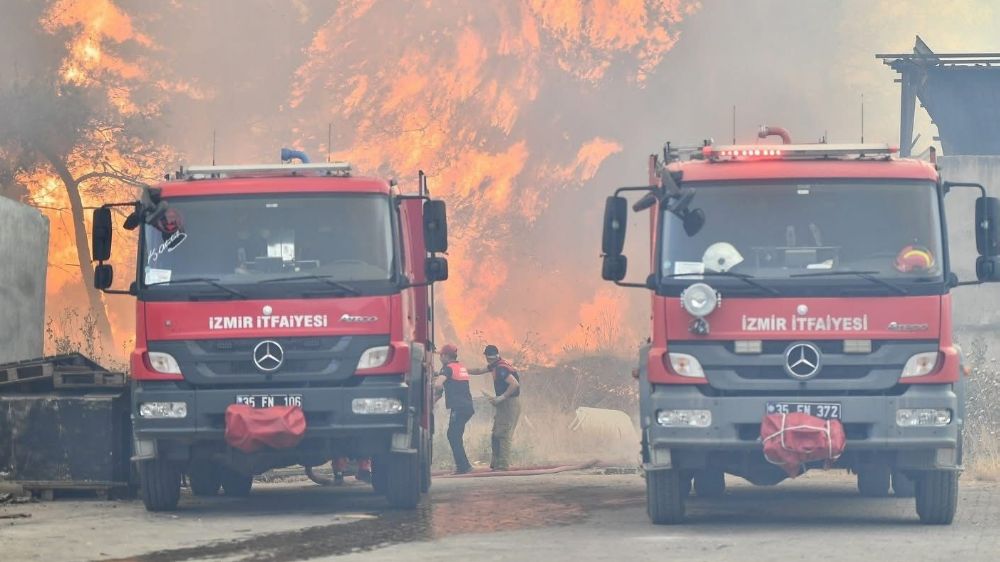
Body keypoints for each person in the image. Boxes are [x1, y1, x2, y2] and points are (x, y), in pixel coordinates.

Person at [469, 344, 521, 471]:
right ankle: (496, 463)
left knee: (503, 434)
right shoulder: (495, 365)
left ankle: (502, 465)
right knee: (496, 433)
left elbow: (514, 384)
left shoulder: (501, 368)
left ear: (488, 357)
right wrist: (463, 370)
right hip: (504, 404)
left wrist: (502, 397)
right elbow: (479, 370)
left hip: (509, 403)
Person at [433, 344, 474, 474]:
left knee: (453, 435)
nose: (440, 358)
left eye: (441, 355)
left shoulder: (447, 368)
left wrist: (435, 392)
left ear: (446, 356)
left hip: (459, 407)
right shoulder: (460, 367)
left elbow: (438, 384)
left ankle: (464, 467)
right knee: (455, 435)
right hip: (467, 407)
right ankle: (464, 466)